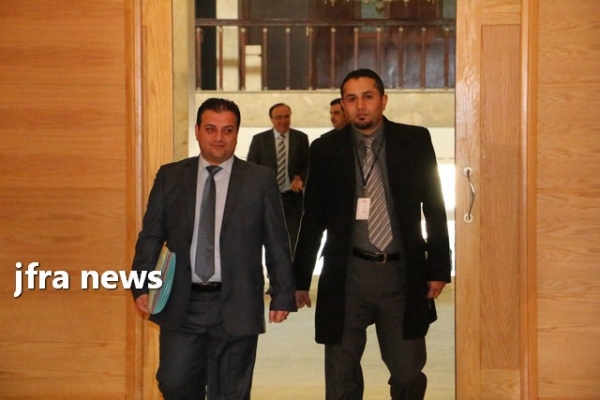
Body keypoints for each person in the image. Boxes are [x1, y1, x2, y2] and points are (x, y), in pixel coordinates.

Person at [293, 69, 451, 400]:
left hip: (400, 274)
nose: (360, 106)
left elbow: (434, 207)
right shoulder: (326, 149)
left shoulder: (414, 141)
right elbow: (313, 218)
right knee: (341, 373)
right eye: (351, 99)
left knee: (408, 371)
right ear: (343, 105)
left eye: (368, 97)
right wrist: (299, 279)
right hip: (348, 276)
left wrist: (438, 268)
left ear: (383, 100)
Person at [131, 98, 297, 400]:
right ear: (197, 131)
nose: (219, 138)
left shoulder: (259, 180)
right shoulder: (171, 176)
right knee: (174, 382)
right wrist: (141, 282)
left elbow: (276, 240)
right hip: (182, 301)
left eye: (227, 130)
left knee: (231, 392)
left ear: (236, 133)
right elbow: (151, 235)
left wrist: (282, 292)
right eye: (211, 129)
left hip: (237, 301)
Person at [246, 103, 309, 252]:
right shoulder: (260, 140)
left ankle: (290, 266)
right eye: (279, 117)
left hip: (293, 199)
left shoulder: (300, 138)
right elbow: (251, 167)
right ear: (271, 119)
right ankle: (274, 265)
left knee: (293, 240)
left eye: (287, 116)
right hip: (269, 198)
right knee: (272, 238)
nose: (283, 121)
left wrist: (301, 178)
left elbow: (309, 164)